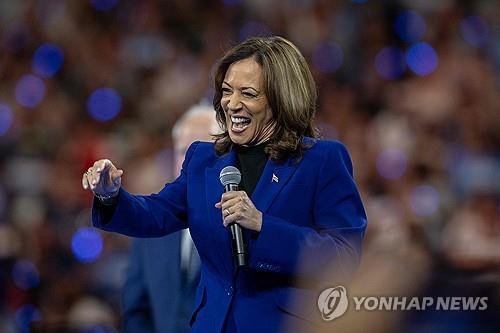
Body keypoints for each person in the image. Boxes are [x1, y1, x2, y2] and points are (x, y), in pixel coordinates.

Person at [82, 36, 367, 333]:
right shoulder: (205, 159)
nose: (232, 104)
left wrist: (262, 225)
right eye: (227, 91)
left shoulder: (321, 160)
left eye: (248, 93)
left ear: (281, 99)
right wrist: (110, 195)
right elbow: (155, 213)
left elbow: (343, 259)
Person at [122, 104, 219, 333]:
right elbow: (136, 310)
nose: (191, 161)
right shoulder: (150, 221)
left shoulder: (241, 222)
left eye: (204, 151)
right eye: (184, 151)